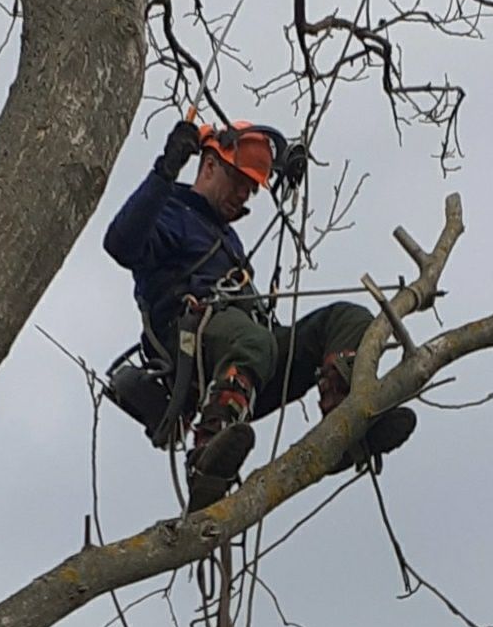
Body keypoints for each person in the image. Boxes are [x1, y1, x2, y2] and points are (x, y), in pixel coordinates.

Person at [104, 119, 415, 511]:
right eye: (239, 181)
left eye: (252, 188)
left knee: (347, 318)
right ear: (210, 165)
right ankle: (207, 455)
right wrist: (165, 170)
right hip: (190, 343)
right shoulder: (171, 212)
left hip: (251, 356)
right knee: (253, 340)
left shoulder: (226, 238)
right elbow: (120, 244)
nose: (245, 194)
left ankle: (349, 423)